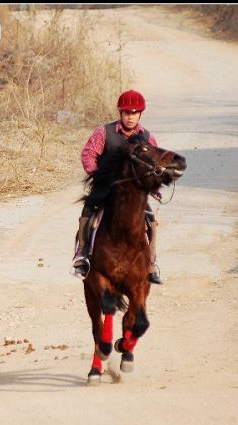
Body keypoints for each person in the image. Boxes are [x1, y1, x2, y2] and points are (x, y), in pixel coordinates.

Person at [71, 89, 164, 284]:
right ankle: (82, 255)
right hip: (107, 187)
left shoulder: (147, 137)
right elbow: (88, 154)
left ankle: (150, 263)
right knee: (89, 210)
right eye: (127, 113)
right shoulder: (103, 132)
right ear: (120, 113)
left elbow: (154, 166)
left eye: (134, 113)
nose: (130, 117)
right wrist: (98, 176)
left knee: (150, 218)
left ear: (140, 114)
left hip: (132, 191)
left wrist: (153, 186)